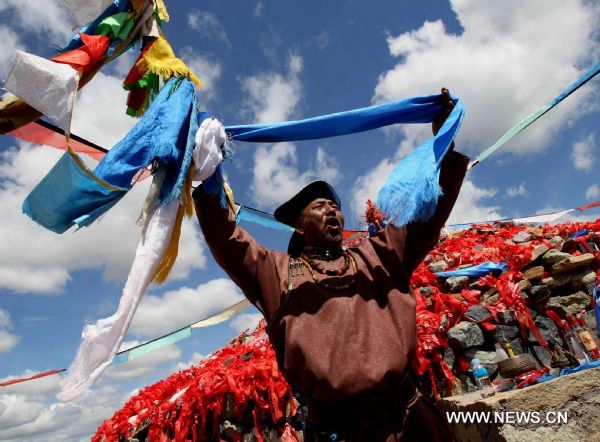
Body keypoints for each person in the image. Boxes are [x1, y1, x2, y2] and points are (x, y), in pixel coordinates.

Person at [193, 89, 468, 441]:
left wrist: (445, 147)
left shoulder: (380, 256)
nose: (333, 212)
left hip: (410, 424)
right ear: (299, 225)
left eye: (334, 206)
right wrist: (207, 176)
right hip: (338, 433)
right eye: (320, 207)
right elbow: (228, 243)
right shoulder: (275, 274)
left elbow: (427, 220)